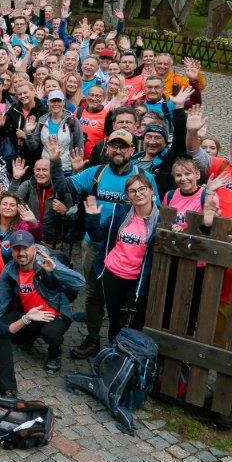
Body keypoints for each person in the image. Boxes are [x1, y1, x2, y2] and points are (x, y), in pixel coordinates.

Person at [49, 130, 157, 360]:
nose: (118, 150)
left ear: (131, 150)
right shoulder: (96, 173)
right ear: (107, 148)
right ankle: (92, 338)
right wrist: (56, 160)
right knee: (93, 293)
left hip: (128, 249)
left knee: (124, 302)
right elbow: (63, 186)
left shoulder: (142, 178)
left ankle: (121, 346)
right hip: (94, 242)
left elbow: (156, 213)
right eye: (114, 146)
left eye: (123, 146)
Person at [0, 230, 85, 373]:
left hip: (55, 314)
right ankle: (30, 336)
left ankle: (55, 353)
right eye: (16, 249)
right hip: (30, 314)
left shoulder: (47, 262)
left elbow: (80, 283)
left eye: (25, 248)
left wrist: (55, 269)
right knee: (4, 329)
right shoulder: (10, 269)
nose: (21, 253)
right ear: (11, 250)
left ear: (34, 248)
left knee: (51, 333)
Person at [85, 174, 160, 343]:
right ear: (127, 196)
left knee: (134, 323)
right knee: (114, 320)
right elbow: (97, 236)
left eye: (142, 189)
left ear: (151, 191)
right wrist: (92, 216)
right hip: (113, 274)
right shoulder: (121, 212)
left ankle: (128, 358)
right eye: (132, 191)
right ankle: (113, 353)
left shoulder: (160, 221)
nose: (138, 194)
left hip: (137, 280)